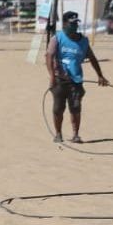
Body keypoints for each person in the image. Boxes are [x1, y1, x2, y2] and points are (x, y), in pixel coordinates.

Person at [45, 10, 108, 144]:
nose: (75, 26)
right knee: (58, 109)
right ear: (65, 23)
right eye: (72, 23)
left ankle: (76, 135)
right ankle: (58, 134)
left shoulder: (83, 41)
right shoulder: (57, 38)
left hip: (76, 81)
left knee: (75, 108)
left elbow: (92, 58)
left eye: (76, 23)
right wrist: (52, 76)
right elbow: (49, 56)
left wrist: (100, 76)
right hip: (59, 81)